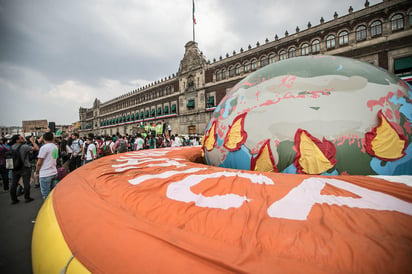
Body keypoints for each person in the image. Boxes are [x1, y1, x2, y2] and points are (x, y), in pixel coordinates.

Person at [9, 134, 39, 204]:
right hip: (25, 167)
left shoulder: (11, 148)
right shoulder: (23, 147)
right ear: (17, 140)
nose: (23, 139)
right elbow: (36, 148)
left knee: (14, 183)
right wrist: (32, 141)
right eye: (21, 138)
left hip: (15, 168)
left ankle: (14, 198)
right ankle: (27, 197)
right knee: (26, 183)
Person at [34, 132, 58, 200]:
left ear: (43, 139)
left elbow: (39, 162)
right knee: (53, 194)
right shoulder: (55, 146)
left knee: (46, 195)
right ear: (53, 138)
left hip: (45, 174)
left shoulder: (44, 148)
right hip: (53, 171)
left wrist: (37, 171)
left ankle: (47, 209)